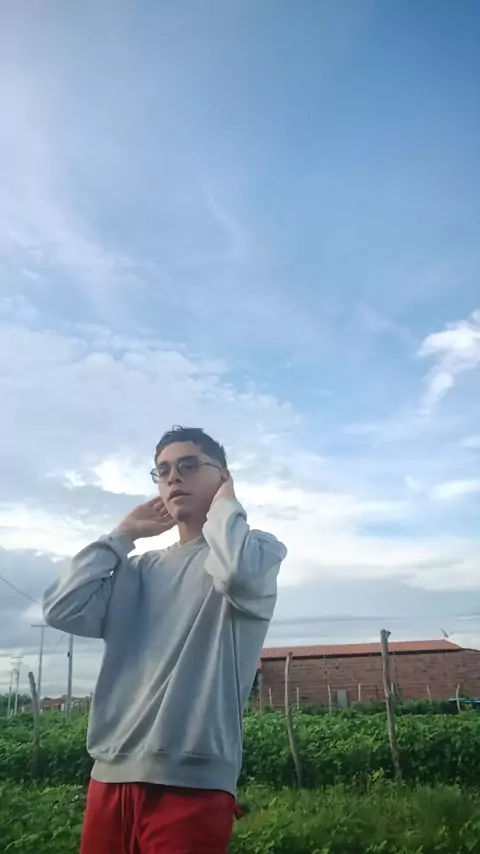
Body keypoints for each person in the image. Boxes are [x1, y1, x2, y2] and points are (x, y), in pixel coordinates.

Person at [43, 426, 287, 854]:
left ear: (223, 477)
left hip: (192, 783)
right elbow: (61, 608)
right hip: (109, 775)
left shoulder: (256, 552)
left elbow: (236, 575)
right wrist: (123, 534)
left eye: (189, 466)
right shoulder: (136, 570)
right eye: (163, 470)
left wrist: (226, 505)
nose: (173, 477)